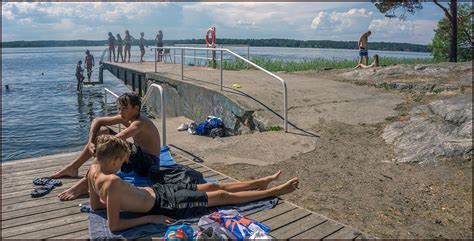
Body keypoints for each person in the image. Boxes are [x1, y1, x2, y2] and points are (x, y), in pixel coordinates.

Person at [88, 134, 299, 232]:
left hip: (158, 191)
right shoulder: (112, 182)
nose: (122, 168)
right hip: (164, 205)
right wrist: (151, 217)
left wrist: (122, 201)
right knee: (221, 197)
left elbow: (96, 205)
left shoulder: (92, 170)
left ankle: (260, 182)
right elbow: (114, 226)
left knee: (214, 186)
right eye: (122, 163)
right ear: (114, 160)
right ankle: (273, 191)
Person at [51, 92, 162, 201]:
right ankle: (74, 166)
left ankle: (85, 183)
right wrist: (90, 143)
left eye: (124, 108)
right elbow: (97, 121)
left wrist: (98, 153)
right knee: (103, 130)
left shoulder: (140, 123)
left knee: (115, 145)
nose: (120, 111)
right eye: (119, 108)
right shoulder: (127, 117)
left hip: (149, 165)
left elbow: (116, 139)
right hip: (138, 158)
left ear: (136, 108)